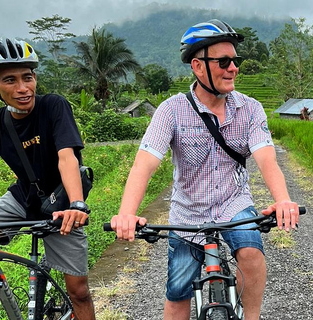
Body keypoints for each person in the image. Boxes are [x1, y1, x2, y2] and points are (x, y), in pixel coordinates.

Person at [110, 19, 299, 320]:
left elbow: (266, 158)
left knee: (251, 254)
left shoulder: (250, 108)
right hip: (187, 212)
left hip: (234, 205)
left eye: (235, 60)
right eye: (223, 61)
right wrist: (127, 213)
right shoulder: (170, 110)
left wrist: (283, 199)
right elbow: (144, 163)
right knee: (178, 291)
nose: (233, 68)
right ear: (198, 67)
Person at [0, 38, 95, 320]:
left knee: (78, 291)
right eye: (10, 80)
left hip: (62, 202)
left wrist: (76, 204)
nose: (23, 88)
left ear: (35, 77)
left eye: (28, 77)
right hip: (21, 198)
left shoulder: (53, 106)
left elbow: (67, 157)